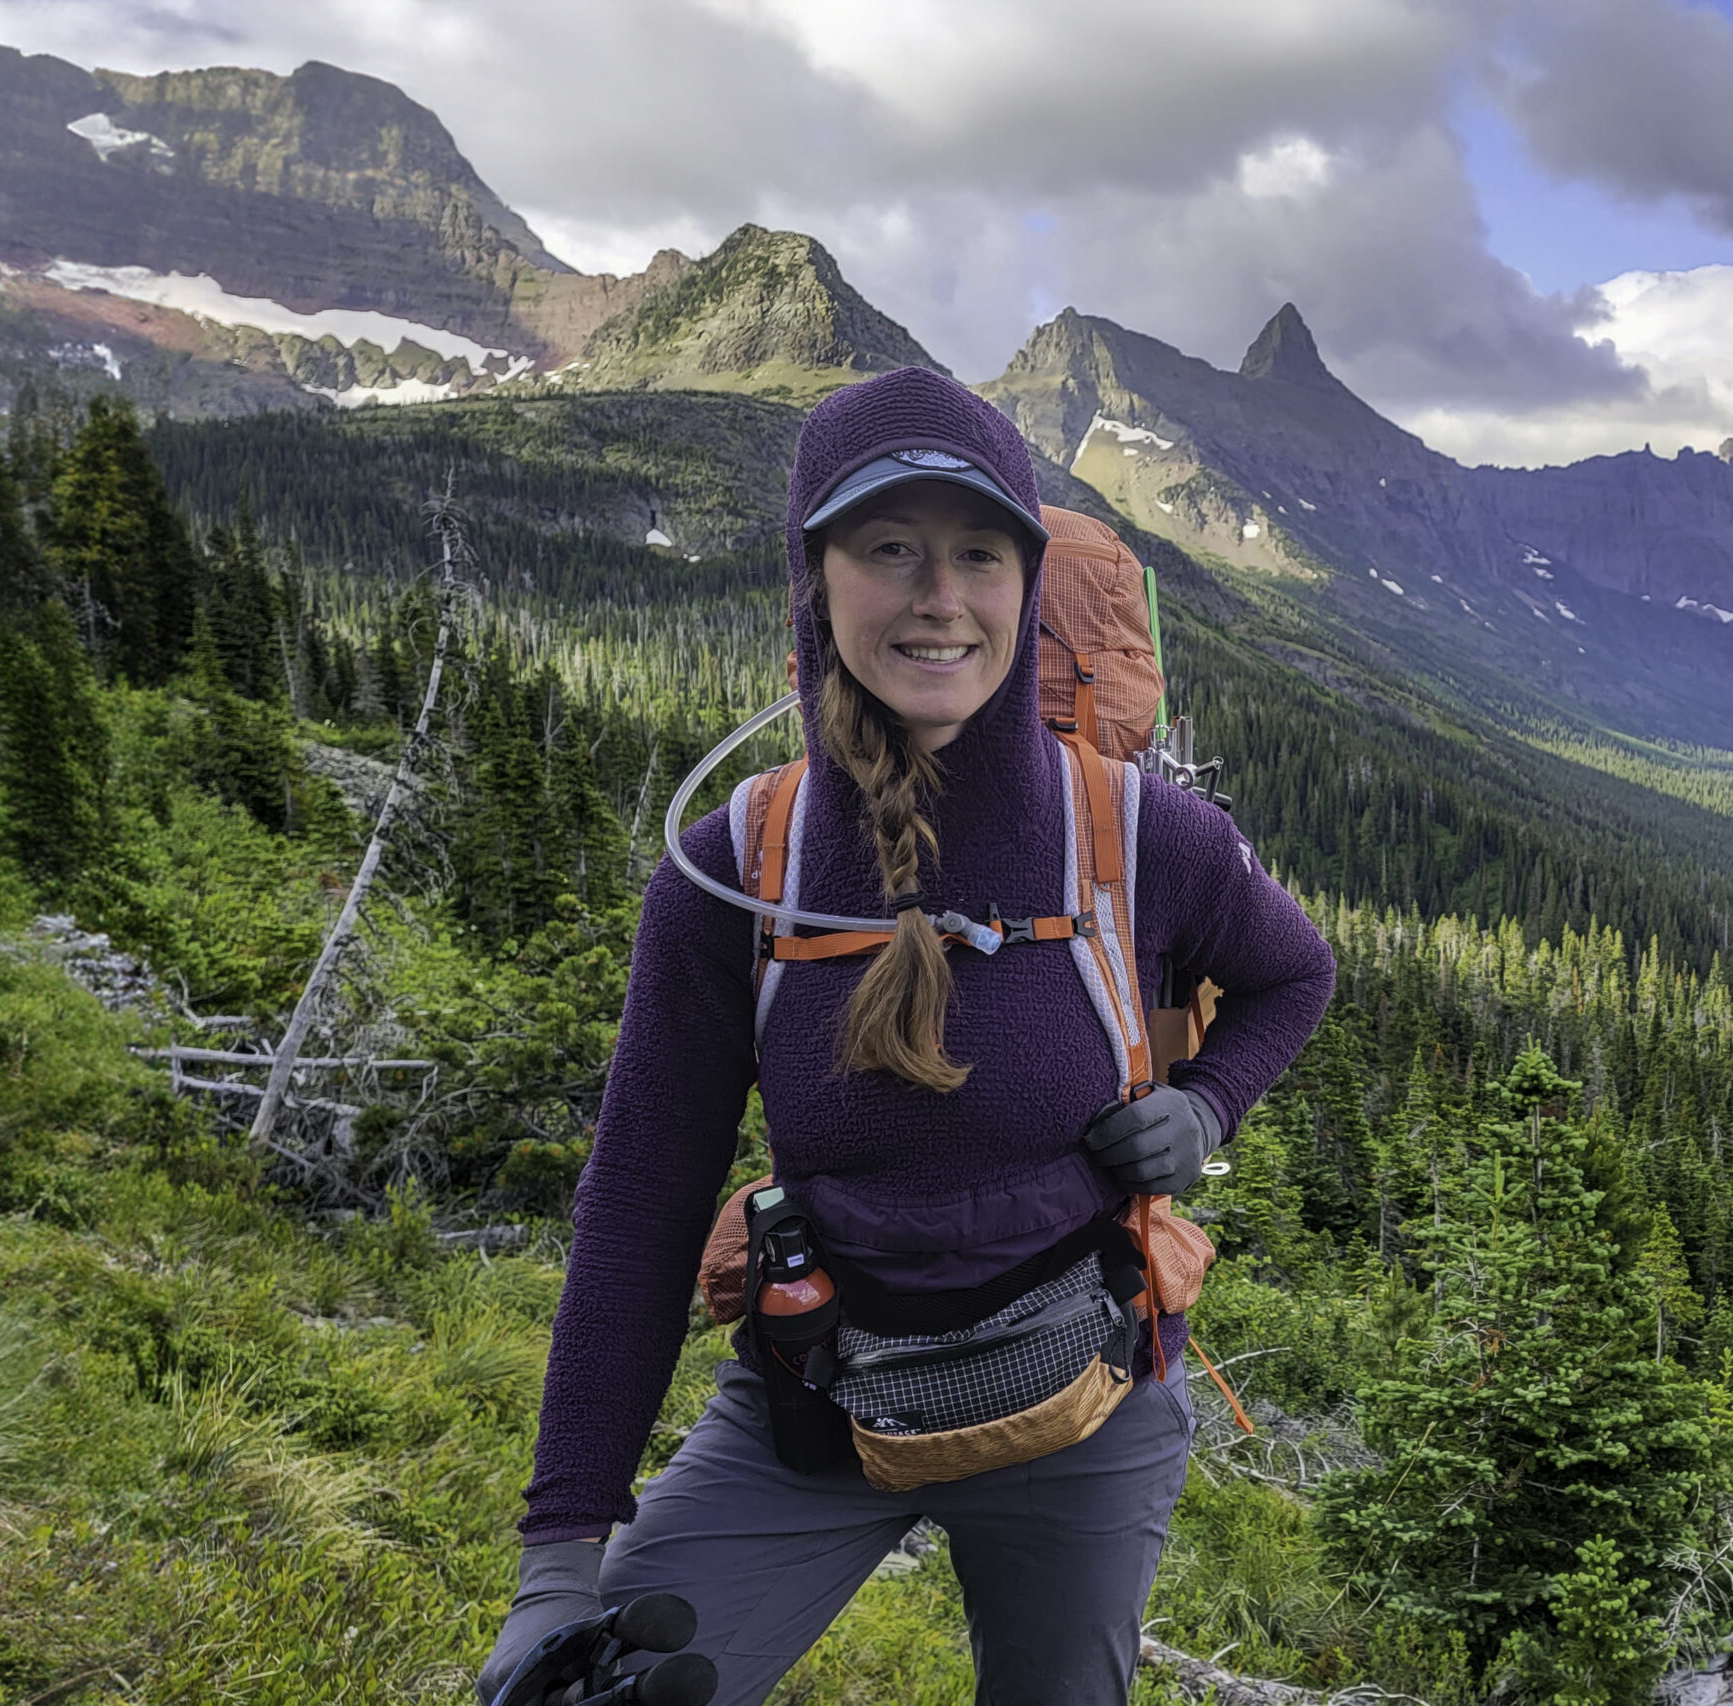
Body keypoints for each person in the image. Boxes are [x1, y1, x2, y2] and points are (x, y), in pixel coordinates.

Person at [478, 366, 1336, 1706]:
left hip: (1090, 1403)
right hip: (818, 1403)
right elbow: (640, 1207)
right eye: (889, 548)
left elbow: (1295, 974)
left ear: (1027, 583)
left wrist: (1208, 1106)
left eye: (979, 553)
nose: (941, 594)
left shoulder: (1137, 834)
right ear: (818, 578)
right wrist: (556, 1560)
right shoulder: (735, 868)